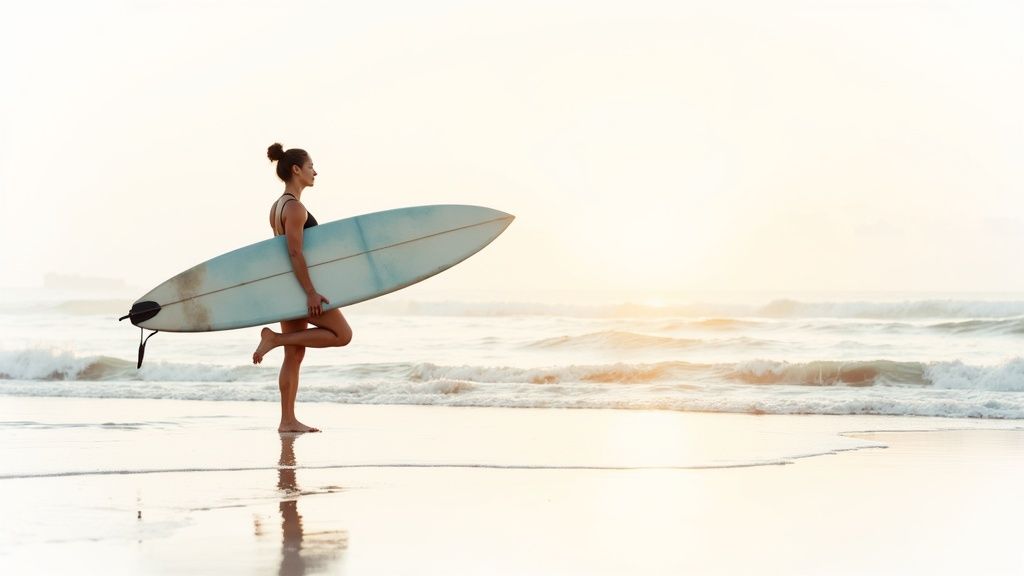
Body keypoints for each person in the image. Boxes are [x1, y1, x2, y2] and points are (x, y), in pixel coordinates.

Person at [253, 143, 353, 433]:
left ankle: (287, 421)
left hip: (288, 287)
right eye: (311, 167)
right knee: (342, 335)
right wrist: (310, 292)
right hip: (300, 287)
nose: (315, 172)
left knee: (295, 354)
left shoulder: (277, 207)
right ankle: (273, 339)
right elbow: (295, 252)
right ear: (296, 170)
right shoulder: (295, 208)